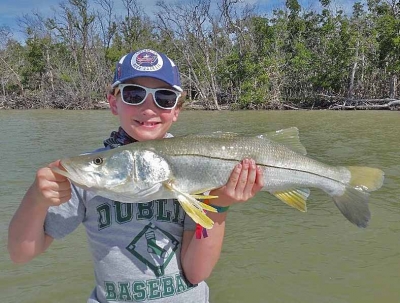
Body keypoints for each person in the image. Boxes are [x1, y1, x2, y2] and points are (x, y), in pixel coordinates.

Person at [8, 48, 264, 302]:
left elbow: (197, 273)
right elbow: (21, 253)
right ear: (113, 102)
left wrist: (217, 205)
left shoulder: (194, 168)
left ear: (177, 109)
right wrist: (36, 199)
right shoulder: (85, 177)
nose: (149, 108)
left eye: (164, 98)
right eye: (134, 95)